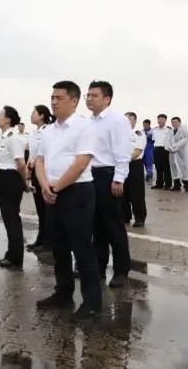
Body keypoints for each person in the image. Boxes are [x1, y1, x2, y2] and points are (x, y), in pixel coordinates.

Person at [35, 81, 102, 322]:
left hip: (77, 193)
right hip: (51, 193)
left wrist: (55, 187)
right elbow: (39, 161)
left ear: (74, 101)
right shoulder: (48, 131)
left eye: (59, 98)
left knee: (82, 249)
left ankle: (92, 303)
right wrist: (45, 185)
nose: (54, 102)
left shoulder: (85, 127)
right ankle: (63, 294)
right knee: (59, 248)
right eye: (52, 97)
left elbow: (81, 164)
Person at [86, 81, 132, 288]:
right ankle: (99, 267)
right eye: (88, 95)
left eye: (94, 95)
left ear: (107, 99)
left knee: (113, 225)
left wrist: (119, 178)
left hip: (108, 175)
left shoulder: (117, 120)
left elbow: (123, 151)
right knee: (96, 226)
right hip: (91, 175)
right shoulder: (89, 121)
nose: (89, 99)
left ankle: (121, 270)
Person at [0, 106, 29, 269]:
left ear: (7, 119)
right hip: (2, 177)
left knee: (12, 218)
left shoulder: (13, 138)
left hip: (10, 179)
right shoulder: (4, 137)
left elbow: (21, 164)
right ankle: (11, 254)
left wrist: (25, 184)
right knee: (8, 218)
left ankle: (16, 258)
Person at [26, 105, 53, 253]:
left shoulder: (48, 131)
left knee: (46, 209)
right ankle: (40, 239)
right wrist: (29, 169)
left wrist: (35, 163)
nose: (31, 115)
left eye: (33, 113)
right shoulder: (34, 133)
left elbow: (46, 153)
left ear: (42, 116)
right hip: (35, 172)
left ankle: (48, 242)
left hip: (45, 173)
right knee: (40, 209)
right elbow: (32, 154)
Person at [123, 112, 147, 227]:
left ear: (135, 121)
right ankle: (125, 216)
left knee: (137, 193)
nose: (126, 122)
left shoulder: (138, 134)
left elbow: (138, 151)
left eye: (129, 119)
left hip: (134, 165)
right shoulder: (120, 134)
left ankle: (139, 218)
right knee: (123, 192)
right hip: (122, 165)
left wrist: (124, 160)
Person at [151, 114, 173, 190]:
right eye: (159, 119)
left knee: (166, 168)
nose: (161, 121)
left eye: (163, 119)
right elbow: (154, 140)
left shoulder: (169, 130)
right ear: (157, 120)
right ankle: (159, 184)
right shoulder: (154, 130)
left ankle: (168, 184)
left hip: (165, 150)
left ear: (165, 120)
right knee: (158, 167)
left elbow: (171, 140)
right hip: (156, 149)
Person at [169, 117, 188, 192]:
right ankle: (176, 185)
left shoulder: (184, 129)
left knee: (184, 168)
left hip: (182, 152)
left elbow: (185, 140)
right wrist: (169, 148)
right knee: (174, 167)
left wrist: (174, 147)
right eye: (173, 122)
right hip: (172, 152)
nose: (174, 123)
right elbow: (167, 141)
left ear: (179, 122)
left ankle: (186, 185)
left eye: (176, 122)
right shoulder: (171, 131)